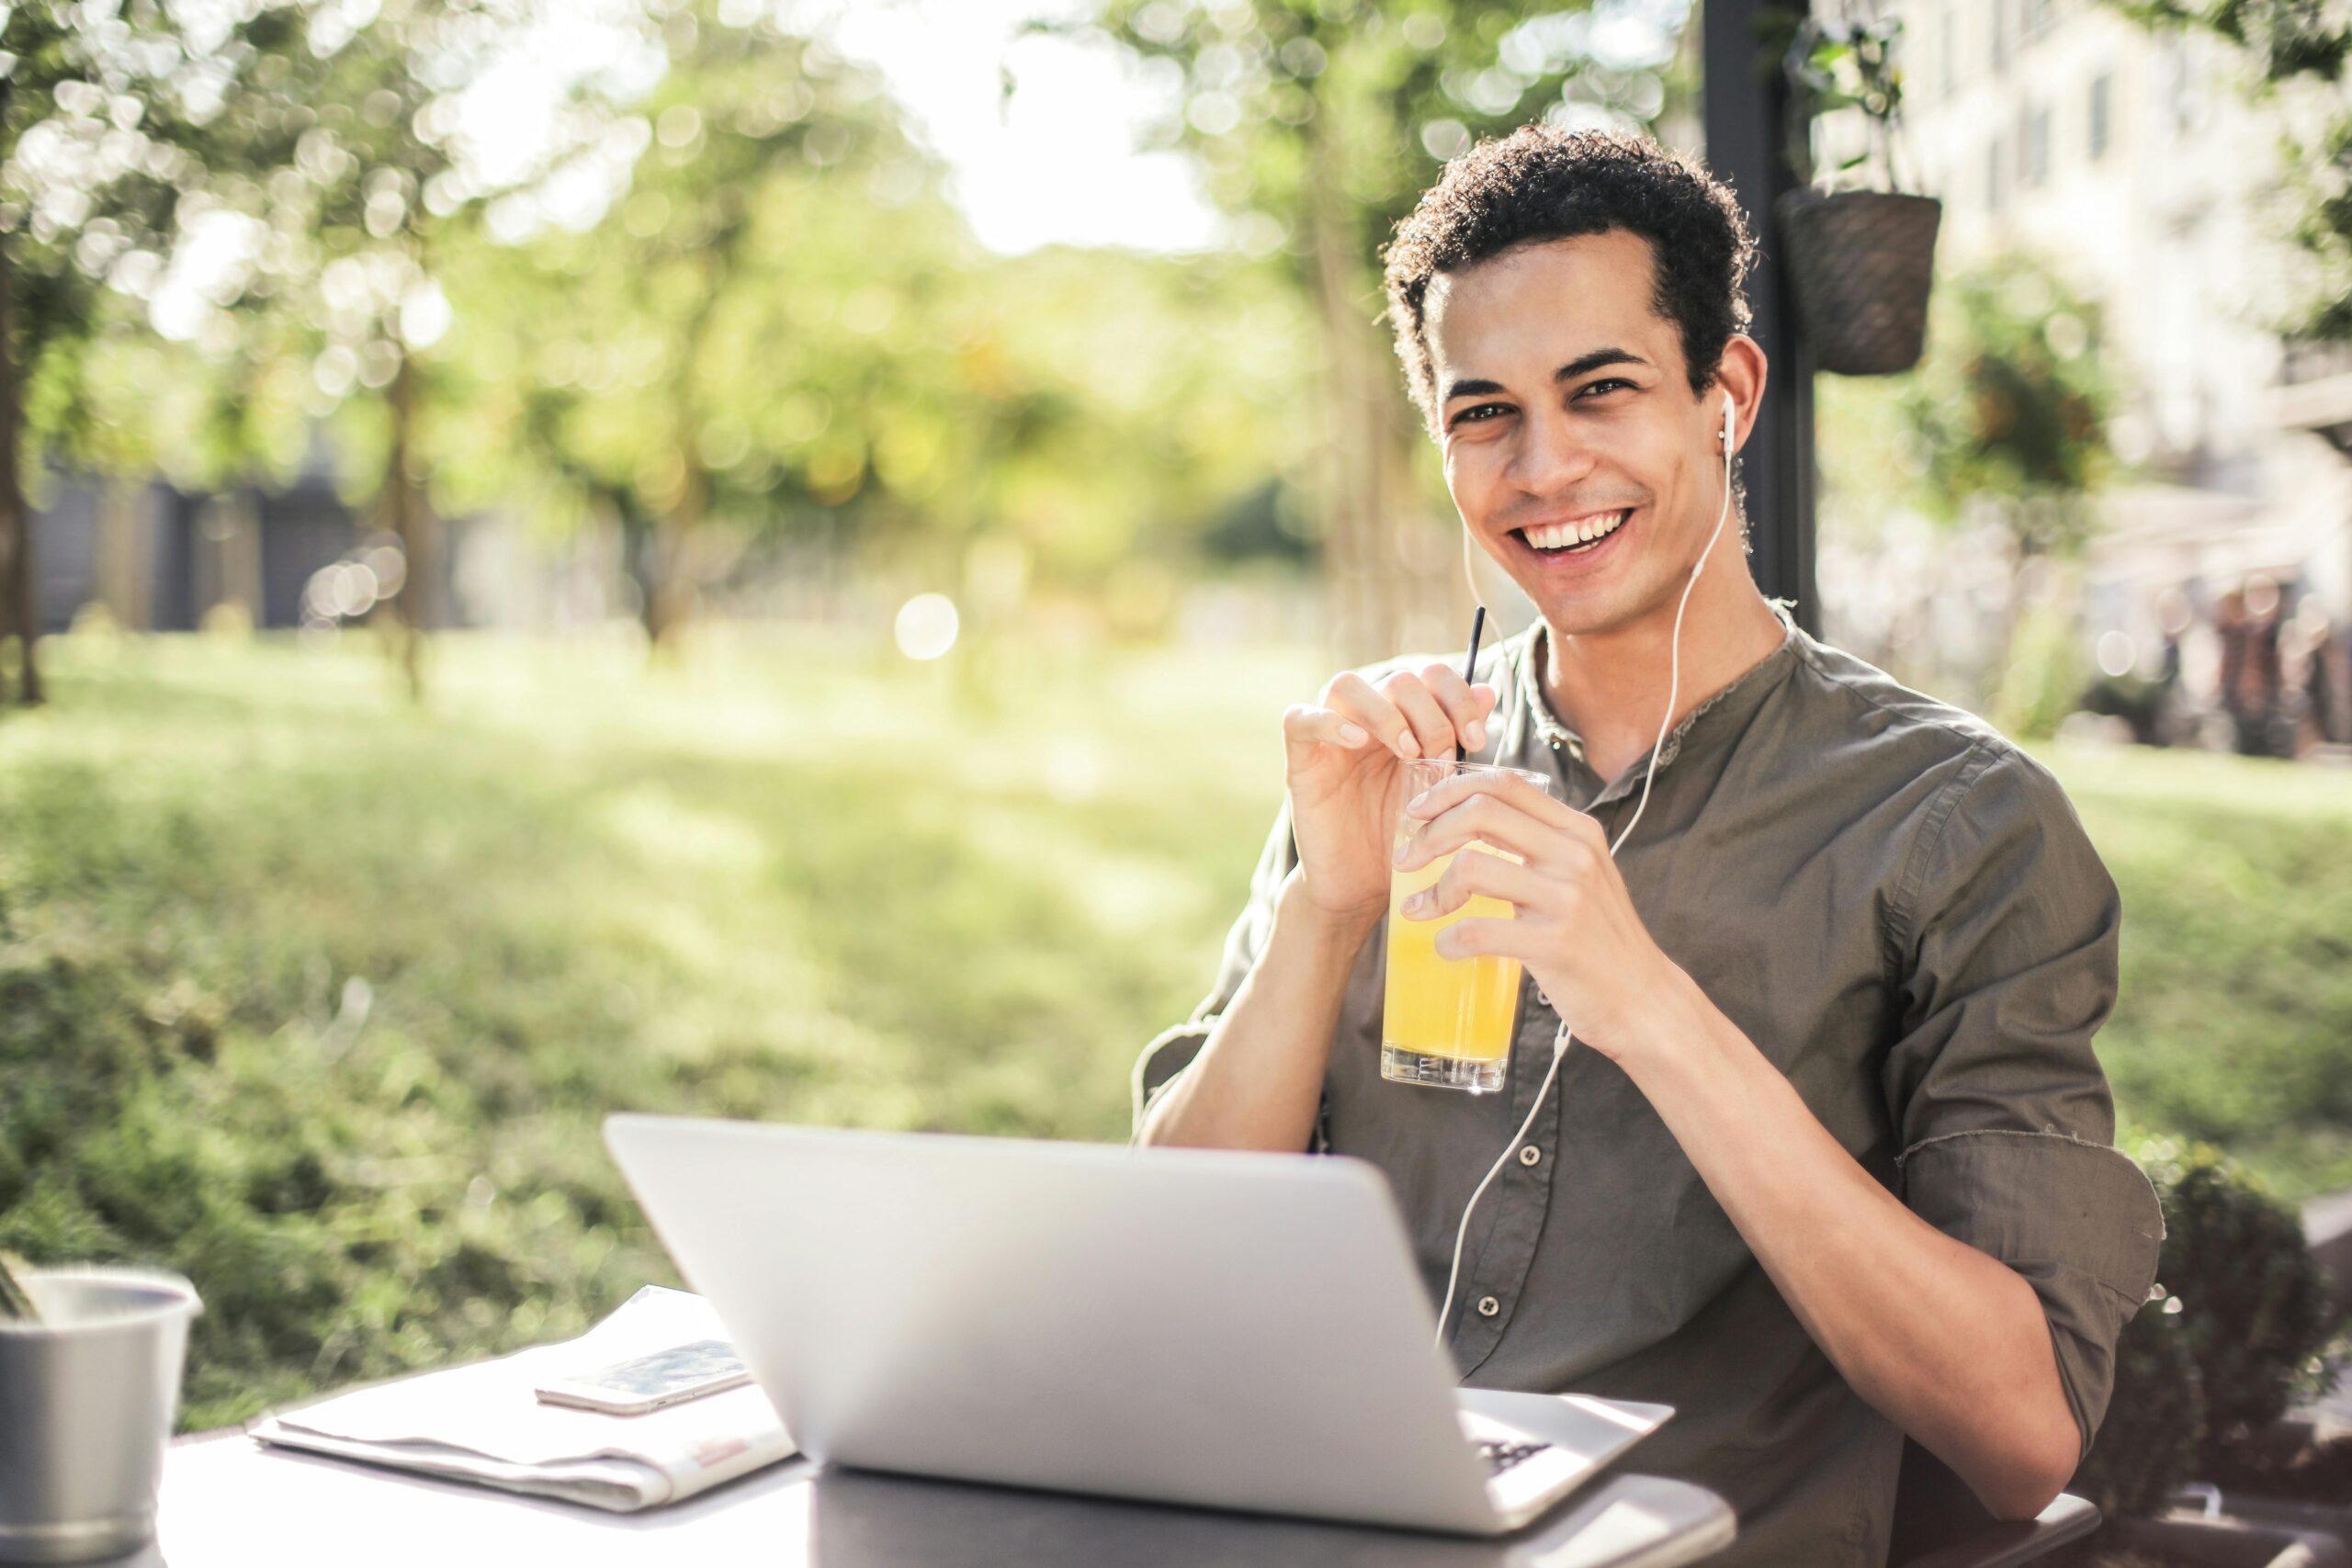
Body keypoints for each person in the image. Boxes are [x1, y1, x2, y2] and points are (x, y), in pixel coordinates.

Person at [1132, 128, 2162, 1568]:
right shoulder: (1389, 773)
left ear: (1723, 395)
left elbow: (2021, 1433)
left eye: (1600, 390)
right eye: (1484, 413)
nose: (1546, 469)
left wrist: (1645, 1002)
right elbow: (1158, 1274)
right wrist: (1324, 913)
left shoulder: (1956, 828)